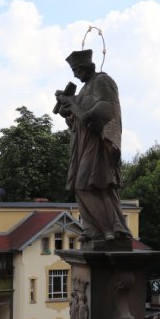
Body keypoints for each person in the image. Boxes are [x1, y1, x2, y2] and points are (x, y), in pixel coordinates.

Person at [54, 48, 132, 244]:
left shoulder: (102, 81)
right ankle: (96, 229)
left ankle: (107, 229)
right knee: (87, 185)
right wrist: (67, 111)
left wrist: (76, 107)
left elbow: (107, 107)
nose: (75, 76)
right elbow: (75, 122)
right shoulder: (84, 88)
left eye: (77, 71)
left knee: (89, 184)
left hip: (96, 142)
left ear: (87, 67)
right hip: (80, 143)